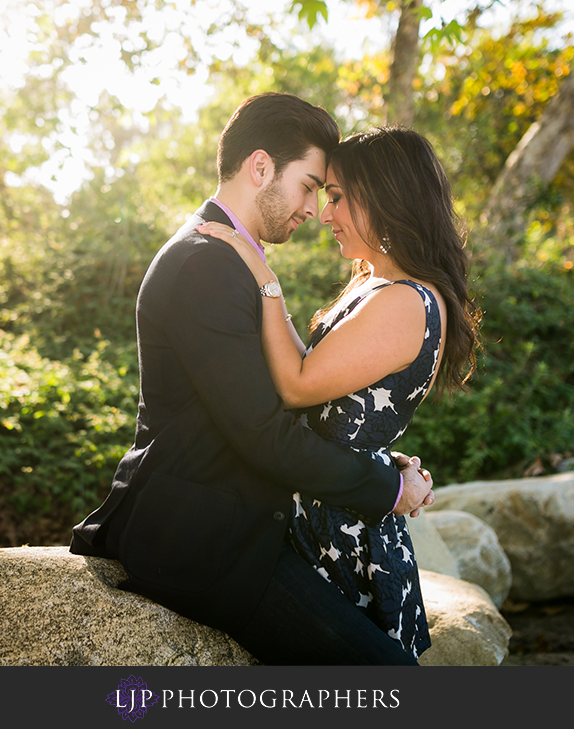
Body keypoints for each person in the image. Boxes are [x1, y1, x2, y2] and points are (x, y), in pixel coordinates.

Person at [70, 94, 434, 665]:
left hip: (243, 526)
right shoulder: (205, 263)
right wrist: (387, 489)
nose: (315, 209)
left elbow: (295, 398)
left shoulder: (228, 256)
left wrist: (385, 463)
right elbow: (264, 432)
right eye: (311, 185)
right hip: (206, 541)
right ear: (261, 167)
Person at [195, 126, 481, 660]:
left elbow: (298, 385)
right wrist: (390, 460)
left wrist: (263, 276)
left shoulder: (406, 300)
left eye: (338, 197)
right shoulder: (373, 282)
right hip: (321, 508)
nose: (325, 215)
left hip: (343, 535)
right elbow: (327, 381)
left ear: (388, 198)